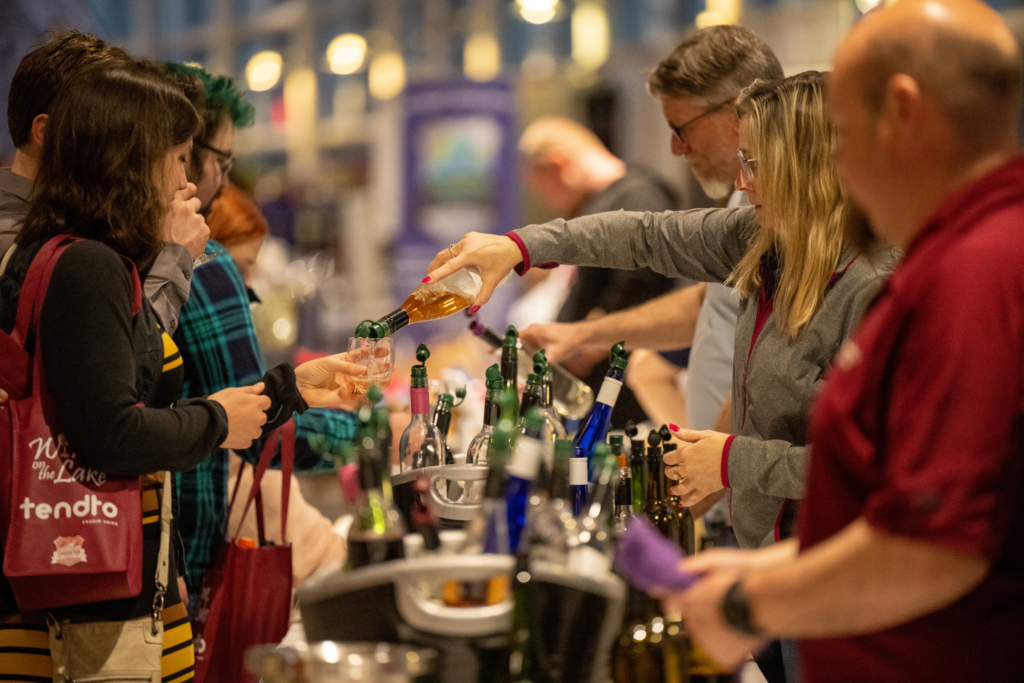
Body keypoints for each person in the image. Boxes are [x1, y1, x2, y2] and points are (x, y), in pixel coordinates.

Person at [428, 71, 893, 682]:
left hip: (836, 588)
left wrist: (731, 462)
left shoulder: (876, 287)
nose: (743, 181)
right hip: (764, 565)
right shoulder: (766, 240)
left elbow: (877, 471)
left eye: (757, 164)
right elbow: (643, 234)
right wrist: (518, 246)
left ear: (808, 166)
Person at [673, 1, 1024, 681]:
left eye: (842, 133)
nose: (834, 164)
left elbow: (932, 548)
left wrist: (748, 601)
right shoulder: (951, 256)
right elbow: (886, 502)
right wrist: (757, 567)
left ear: (901, 110)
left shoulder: (979, 276)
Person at [0, 60, 367, 680]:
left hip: (105, 590)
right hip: (93, 601)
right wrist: (219, 419)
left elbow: (127, 380)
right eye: (176, 156)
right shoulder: (84, 266)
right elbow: (110, 432)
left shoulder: (88, 261)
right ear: (128, 160)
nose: (187, 177)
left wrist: (290, 388)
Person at [518, 25, 783, 520]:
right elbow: (705, 303)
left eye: (681, 128)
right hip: (728, 498)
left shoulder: (778, 212)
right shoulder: (746, 201)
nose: (677, 149)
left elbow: (772, 356)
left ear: (735, 110)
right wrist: (584, 333)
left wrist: (714, 464)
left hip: (746, 500)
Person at [175, 176, 361, 598]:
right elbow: (259, 432)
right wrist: (370, 435)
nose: (250, 289)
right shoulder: (205, 269)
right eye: (243, 268)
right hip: (192, 562)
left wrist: (294, 389)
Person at [0, 30, 209, 336]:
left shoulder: (75, 222)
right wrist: (173, 254)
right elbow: (122, 362)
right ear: (46, 133)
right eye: (104, 122)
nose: (124, 145)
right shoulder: (14, 241)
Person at [517, 116, 683, 427]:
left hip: (622, 389)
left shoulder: (637, 195)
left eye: (543, 187)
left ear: (559, 164)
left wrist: (583, 344)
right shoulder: (608, 200)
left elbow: (642, 287)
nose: (547, 200)